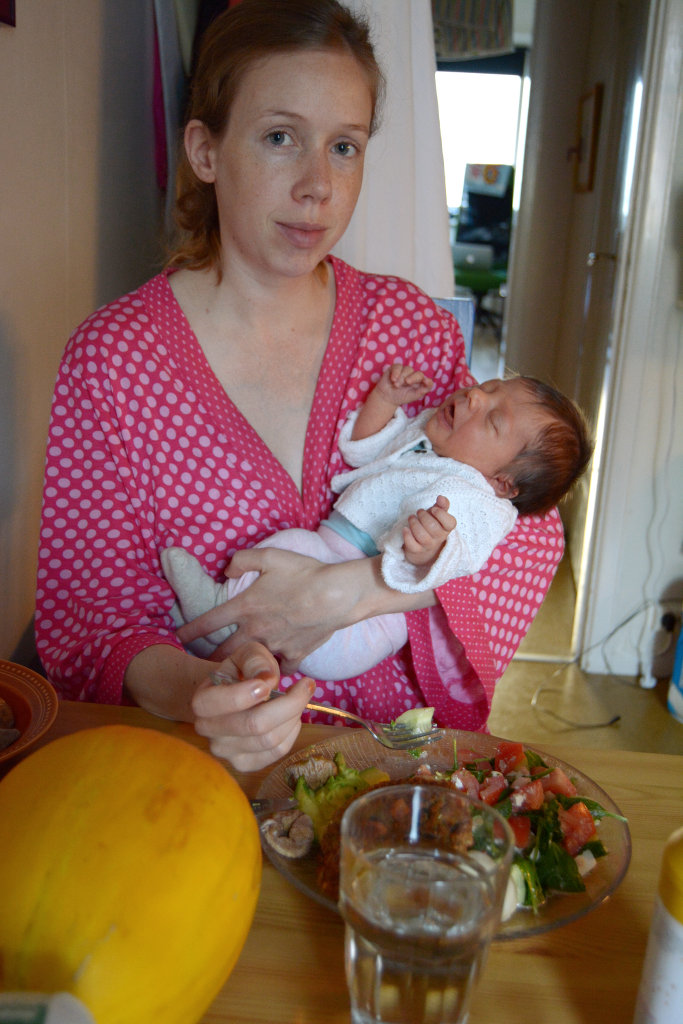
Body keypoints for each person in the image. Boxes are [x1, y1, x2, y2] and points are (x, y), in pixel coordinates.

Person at [35, 0, 569, 772]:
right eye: (281, 137)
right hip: (202, 770)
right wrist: (203, 689)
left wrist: (355, 593)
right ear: (205, 150)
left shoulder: (408, 328)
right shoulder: (112, 362)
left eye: (344, 146)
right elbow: (93, 622)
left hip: (388, 770)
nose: (318, 185)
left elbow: (523, 527)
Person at [162, 364, 591, 679]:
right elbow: (366, 450)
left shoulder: (482, 503)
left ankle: (223, 634)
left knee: (329, 639)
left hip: (374, 616)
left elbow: (463, 556)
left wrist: (430, 548)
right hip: (333, 544)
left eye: (493, 419)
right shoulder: (428, 437)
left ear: (504, 483)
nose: (475, 397)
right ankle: (221, 616)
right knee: (285, 548)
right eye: (488, 387)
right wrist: (383, 401)